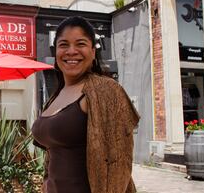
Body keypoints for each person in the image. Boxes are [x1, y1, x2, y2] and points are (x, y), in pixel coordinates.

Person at [32, 16, 140, 193]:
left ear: (93, 51)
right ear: (56, 52)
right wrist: (46, 181)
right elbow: (53, 151)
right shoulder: (57, 95)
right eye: (64, 44)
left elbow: (119, 162)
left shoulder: (105, 90)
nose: (71, 51)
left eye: (80, 44)